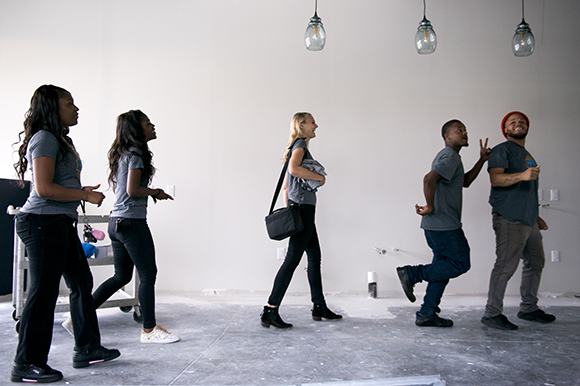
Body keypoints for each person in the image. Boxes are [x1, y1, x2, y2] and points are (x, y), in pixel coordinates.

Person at [11, 85, 120, 383]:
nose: (76, 108)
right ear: (51, 108)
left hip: (57, 221)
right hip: (42, 222)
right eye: (69, 103)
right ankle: (27, 363)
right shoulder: (45, 139)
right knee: (43, 293)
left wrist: (79, 193)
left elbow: (56, 185)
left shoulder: (60, 140)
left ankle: (87, 348)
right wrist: (82, 195)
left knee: (81, 281)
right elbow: (44, 189)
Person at [91, 110, 180, 343]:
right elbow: (133, 190)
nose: (153, 126)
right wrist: (156, 192)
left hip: (116, 222)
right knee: (148, 273)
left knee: (121, 276)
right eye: (147, 123)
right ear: (136, 129)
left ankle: (81, 315)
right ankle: (149, 330)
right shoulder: (136, 154)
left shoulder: (123, 154)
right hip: (131, 223)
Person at [397, 119, 490, 327]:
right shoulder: (448, 156)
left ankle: (427, 313)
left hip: (439, 224)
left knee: (442, 268)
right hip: (443, 224)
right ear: (447, 137)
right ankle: (412, 273)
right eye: (459, 130)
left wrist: (482, 160)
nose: (464, 132)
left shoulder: (453, 157)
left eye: (465, 129)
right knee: (460, 262)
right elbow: (429, 179)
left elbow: (464, 182)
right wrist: (430, 206)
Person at [261, 112, 342, 329]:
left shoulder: (297, 146)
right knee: (292, 261)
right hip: (303, 210)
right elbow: (293, 169)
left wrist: (291, 208)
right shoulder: (300, 146)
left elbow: (287, 186)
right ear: (302, 125)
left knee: (314, 257)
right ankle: (270, 309)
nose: (316, 125)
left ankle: (319, 306)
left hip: (301, 209)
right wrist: (320, 178)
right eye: (312, 122)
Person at [481, 111, 555, 330]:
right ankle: (491, 313)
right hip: (510, 219)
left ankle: (529, 308)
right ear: (505, 130)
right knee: (505, 266)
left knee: (536, 262)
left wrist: (535, 215)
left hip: (528, 220)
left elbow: (525, 190)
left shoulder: (526, 154)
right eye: (512, 122)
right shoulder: (501, 150)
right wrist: (522, 175)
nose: (518, 123)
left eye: (521, 121)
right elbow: (496, 179)